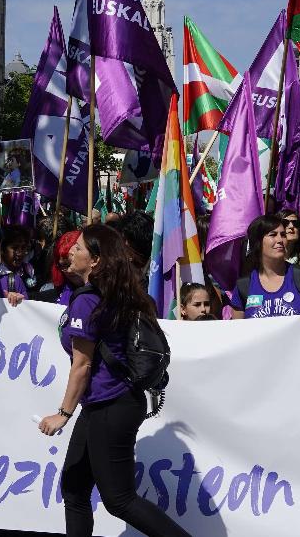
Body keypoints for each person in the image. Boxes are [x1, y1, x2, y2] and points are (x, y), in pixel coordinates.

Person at [37, 224, 188, 537]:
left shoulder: (88, 301)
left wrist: (62, 415)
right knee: (75, 489)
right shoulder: (111, 293)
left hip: (112, 404)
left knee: (119, 500)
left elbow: (82, 364)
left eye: (78, 248)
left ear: (94, 260)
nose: (71, 252)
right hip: (103, 404)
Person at [229, 214, 300, 322]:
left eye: (283, 235)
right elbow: (236, 333)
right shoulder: (243, 286)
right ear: (257, 242)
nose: (280, 240)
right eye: (273, 235)